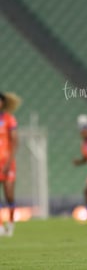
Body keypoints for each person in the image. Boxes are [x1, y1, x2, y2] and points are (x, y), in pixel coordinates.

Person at [0, 92, 21, 237]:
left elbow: (14, 142)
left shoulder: (9, 119)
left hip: (7, 162)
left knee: (9, 196)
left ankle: (11, 224)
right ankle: (0, 226)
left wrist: (8, 162)